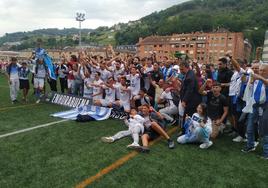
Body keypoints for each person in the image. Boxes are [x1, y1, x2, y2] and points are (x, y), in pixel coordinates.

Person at [251, 63, 268, 159]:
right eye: (260, 70)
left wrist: (259, 77)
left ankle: (266, 153)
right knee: (261, 129)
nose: (261, 72)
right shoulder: (260, 80)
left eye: (263, 70)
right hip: (260, 106)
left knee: (265, 131)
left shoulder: (263, 80)